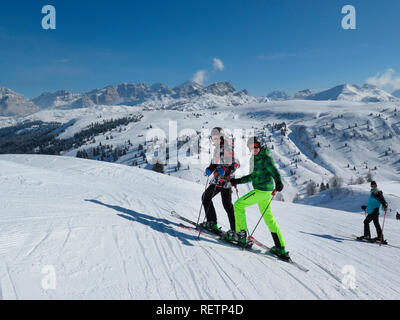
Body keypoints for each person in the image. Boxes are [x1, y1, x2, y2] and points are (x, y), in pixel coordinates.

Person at [228, 136, 287, 258]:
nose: (254, 149)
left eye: (255, 147)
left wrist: (279, 182)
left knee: (239, 205)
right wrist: (238, 181)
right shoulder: (253, 160)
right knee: (269, 218)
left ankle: (242, 236)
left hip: (263, 190)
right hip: (265, 192)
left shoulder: (266, 158)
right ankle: (280, 247)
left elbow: (274, 171)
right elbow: (252, 177)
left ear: (259, 146)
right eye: (251, 148)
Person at [200, 127, 239, 233]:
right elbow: (214, 163)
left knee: (205, 197)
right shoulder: (217, 148)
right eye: (213, 138)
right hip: (221, 181)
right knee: (227, 205)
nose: (215, 140)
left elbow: (235, 164)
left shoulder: (227, 148)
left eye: (216, 138)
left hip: (223, 181)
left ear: (221, 137)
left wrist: (225, 171)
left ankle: (213, 223)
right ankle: (235, 231)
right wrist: (209, 169)